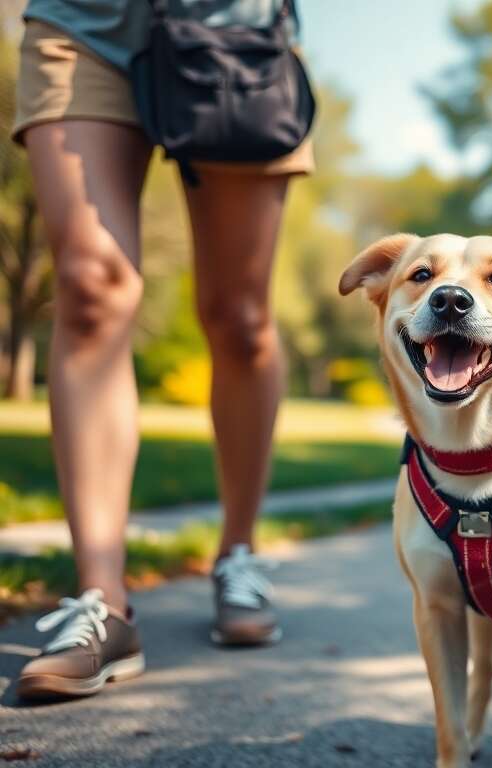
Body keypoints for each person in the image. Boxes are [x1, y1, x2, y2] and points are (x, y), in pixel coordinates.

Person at [12, 0, 311, 700]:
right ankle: (103, 601)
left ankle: (238, 554)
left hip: (236, 28)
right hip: (80, 23)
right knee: (91, 286)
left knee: (238, 317)